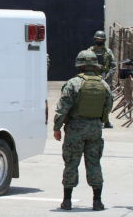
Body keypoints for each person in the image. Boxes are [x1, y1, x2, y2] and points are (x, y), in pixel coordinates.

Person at [53, 50, 113, 211]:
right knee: (94, 163)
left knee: (71, 163)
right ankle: (97, 202)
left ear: (79, 66)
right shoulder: (104, 85)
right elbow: (108, 107)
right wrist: (100, 120)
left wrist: (57, 128)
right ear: (95, 66)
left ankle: (67, 202)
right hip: (95, 129)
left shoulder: (73, 84)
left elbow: (62, 108)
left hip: (74, 130)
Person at [88, 30, 116, 128]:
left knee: (106, 100)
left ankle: (106, 120)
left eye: (101, 39)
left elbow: (113, 66)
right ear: (95, 40)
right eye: (98, 39)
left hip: (105, 79)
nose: (99, 41)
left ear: (104, 40)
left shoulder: (108, 52)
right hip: (93, 78)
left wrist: (108, 75)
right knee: (92, 99)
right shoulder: (90, 51)